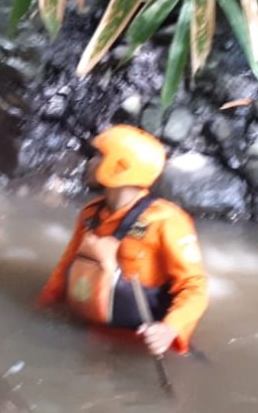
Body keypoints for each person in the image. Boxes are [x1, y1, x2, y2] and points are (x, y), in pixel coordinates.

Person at [36, 125, 208, 356]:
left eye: (99, 156)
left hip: (139, 345)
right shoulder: (90, 214)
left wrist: (169, 329)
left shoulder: (167, 221)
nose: (90, 162)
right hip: (91, 330)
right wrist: (43, 305)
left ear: (120, 166)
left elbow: (195, 287)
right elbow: (67, 265)